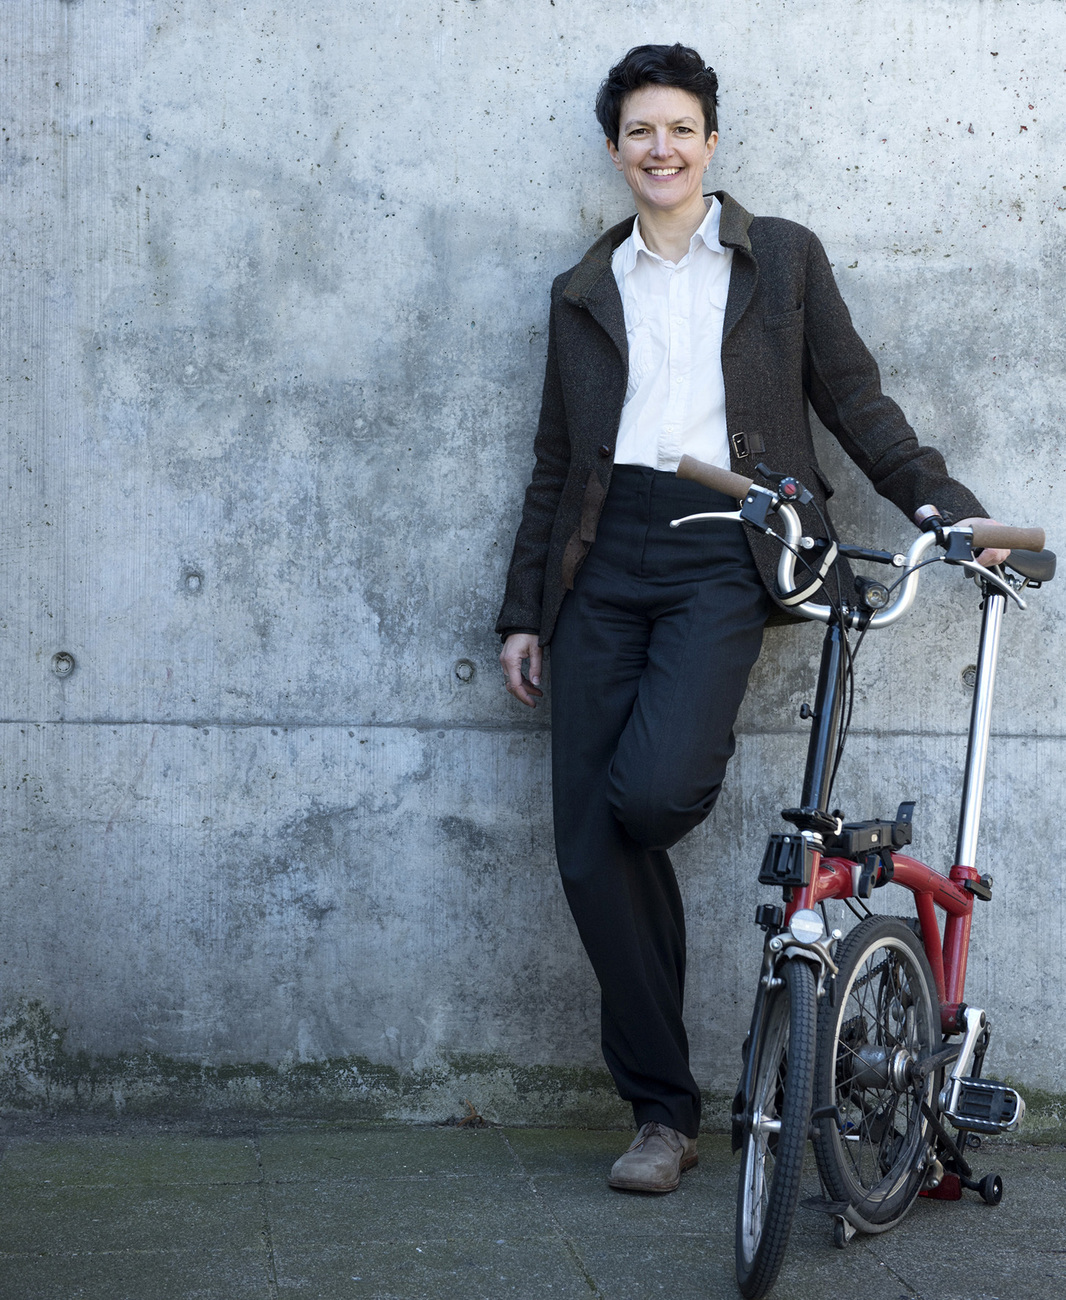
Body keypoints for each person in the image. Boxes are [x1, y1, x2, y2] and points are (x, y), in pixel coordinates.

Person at [495, 43, 1005, 1194]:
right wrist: (525, 610)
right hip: (599, 557)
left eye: (679, 128)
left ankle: (687, 1081)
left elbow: (856, 404)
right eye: (639, 131)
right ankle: (662, 1114)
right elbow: (553, 463)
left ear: (711, 142)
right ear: (615, 149)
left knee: (648, 796)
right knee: (590, 847)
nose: (660, 148)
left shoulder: (780, 259)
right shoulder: (584, 288)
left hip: (729, 546)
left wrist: (947, 509)